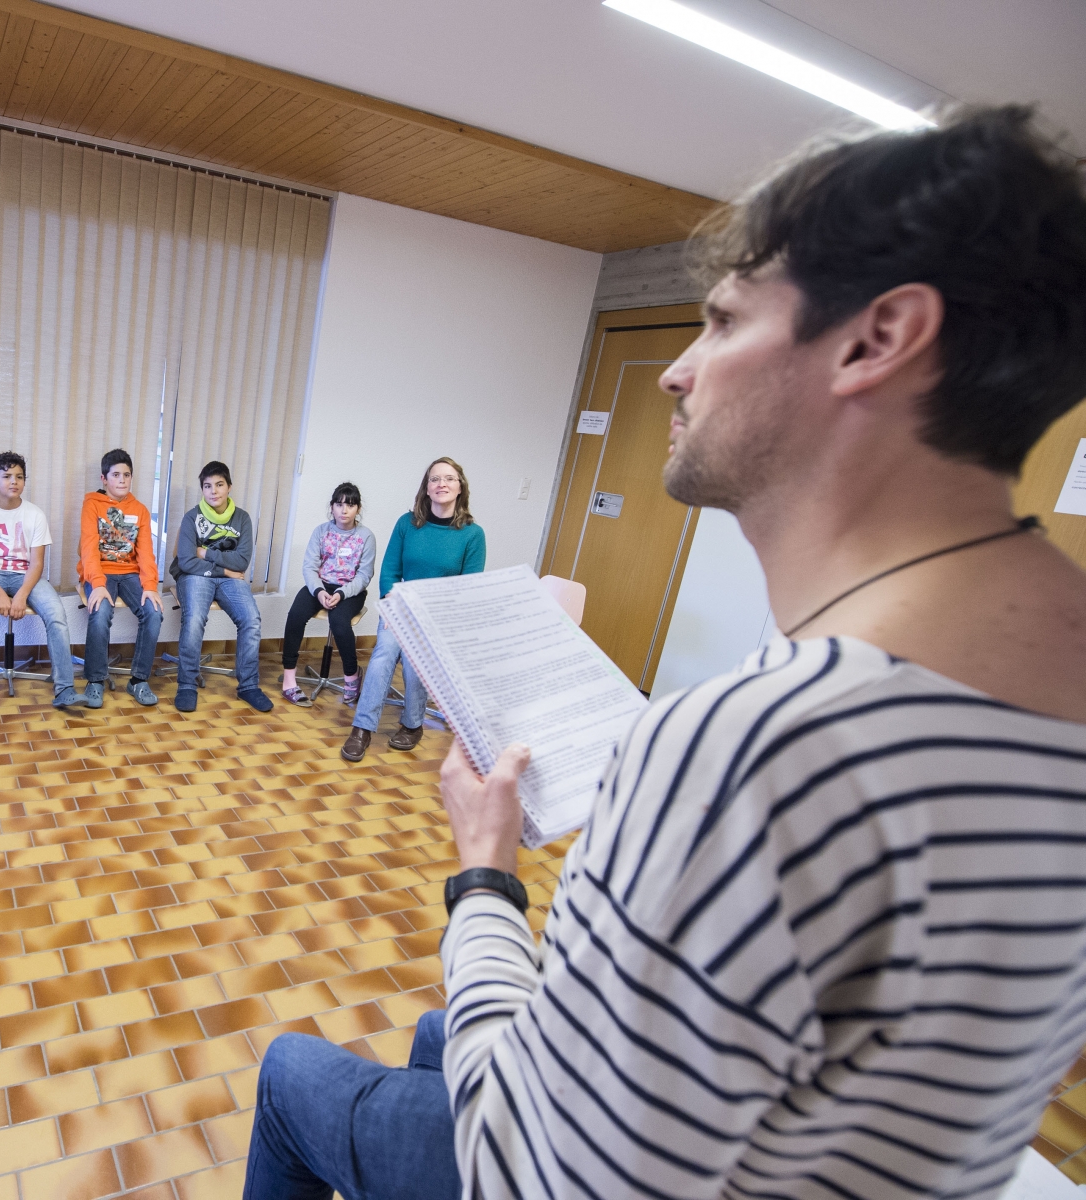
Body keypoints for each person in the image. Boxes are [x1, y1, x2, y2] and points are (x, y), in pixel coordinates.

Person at [245, 105, 1086, 1200]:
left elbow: (528, 1169)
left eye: (724, 320)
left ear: (878, 338)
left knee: (295, 1072)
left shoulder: (751, 747)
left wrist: (487, 874)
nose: (674, 373)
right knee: (438, 1033)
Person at [341, 458, 484, 761]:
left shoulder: (473, 534)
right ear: (426, 487)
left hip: (437, 617)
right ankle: (362, 729)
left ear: (460, 487)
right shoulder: (407, 523)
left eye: (449, 479)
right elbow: (390, 571)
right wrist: (393, 609)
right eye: (434, 479)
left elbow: (467, 590)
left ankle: (412, 724)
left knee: (414, 660)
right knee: (381, 655)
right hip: (401, 608)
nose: (441, 484)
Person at [0, 451, 79, 708]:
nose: (14, 481)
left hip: (26, 576)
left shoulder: (35, 514)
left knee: (56, 614)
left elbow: (37, 563)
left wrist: (20, 595)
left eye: (19, 477)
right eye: (7, 476)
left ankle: (64, 687)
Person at [170, 460, 272, 713]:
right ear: (202, 489)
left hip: (227, 579)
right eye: (207, 486)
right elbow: (186, 561)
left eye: (219, 485)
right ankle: (186, 685)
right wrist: (224, 569)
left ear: (229, 487)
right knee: (194, 619)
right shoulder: (192, 517)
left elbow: (243, 560)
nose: (213, 491)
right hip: (196, 576)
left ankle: (248, 686)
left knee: (251, 619)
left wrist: (206, 553)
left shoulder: (242, 519)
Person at [78, 448, 163, 709]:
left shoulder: (140, 510)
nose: (122, 480)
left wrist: (150, 586)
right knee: (101, 612)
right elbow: (89, 548)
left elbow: (146, 553)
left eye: (127, 475)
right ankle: (94, 680)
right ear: (104, 479)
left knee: (154, 612)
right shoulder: (92, 504)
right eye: (116, 475)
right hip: (99, 572)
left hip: (130, 574)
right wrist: (98, 584)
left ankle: (138, 679)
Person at [280, 482, 375, 706]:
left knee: (340, 623)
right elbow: (309, 567)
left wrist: (342, 593)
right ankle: (288, 681)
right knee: (295, 616)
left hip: (351, 591)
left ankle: (352, 678)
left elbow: (364, 575)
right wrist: (319, 591)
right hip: (320, 586)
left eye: (350, 505)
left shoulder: (366, 536)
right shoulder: (321, 531)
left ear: (358, 509)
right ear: (331, 507)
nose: (344, 510)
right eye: (339, 504)